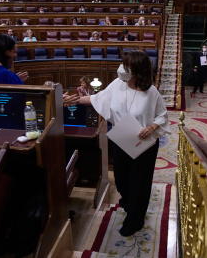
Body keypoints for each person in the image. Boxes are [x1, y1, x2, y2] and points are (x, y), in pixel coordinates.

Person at [72, 50, 171, 237]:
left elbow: (163, 116)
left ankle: (135, 220)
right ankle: (129, 203)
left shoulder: (151, 92)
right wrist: (73, 100)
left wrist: (151, 127)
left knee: (139, 183)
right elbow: (96, 99)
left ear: (137, 70)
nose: (121, 68)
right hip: (121, 141)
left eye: (126, 66)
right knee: (121, 179)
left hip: (144, 145)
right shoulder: (117, 85)